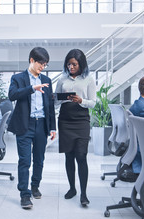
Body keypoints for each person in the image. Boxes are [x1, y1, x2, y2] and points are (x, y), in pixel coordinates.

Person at [8, 47, 56, 209]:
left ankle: (35, 185)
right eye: (40, 63)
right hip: (24, 124)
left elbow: (50, 105)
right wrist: (31, 89)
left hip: (41, 124)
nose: (42, 67)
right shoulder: (18, 78)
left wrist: (53, 128)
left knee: (39, 160)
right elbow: (12, 95)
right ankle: (24, 194)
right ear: (31, 60)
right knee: (25, 160)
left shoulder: (47, 81)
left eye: (45, 64)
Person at [55, 49, 95, 206]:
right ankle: (72, 188)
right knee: (69, 157)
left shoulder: (89, 79)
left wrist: (81, 100)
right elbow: (56, 101)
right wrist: (60, 98)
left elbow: (93, 102)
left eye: (74, 64)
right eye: (69, 64)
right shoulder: (62, 79)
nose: (71, 67)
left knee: (81, 156)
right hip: (65, 120)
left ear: (81, 64)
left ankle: (84, 194)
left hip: (81, 121)